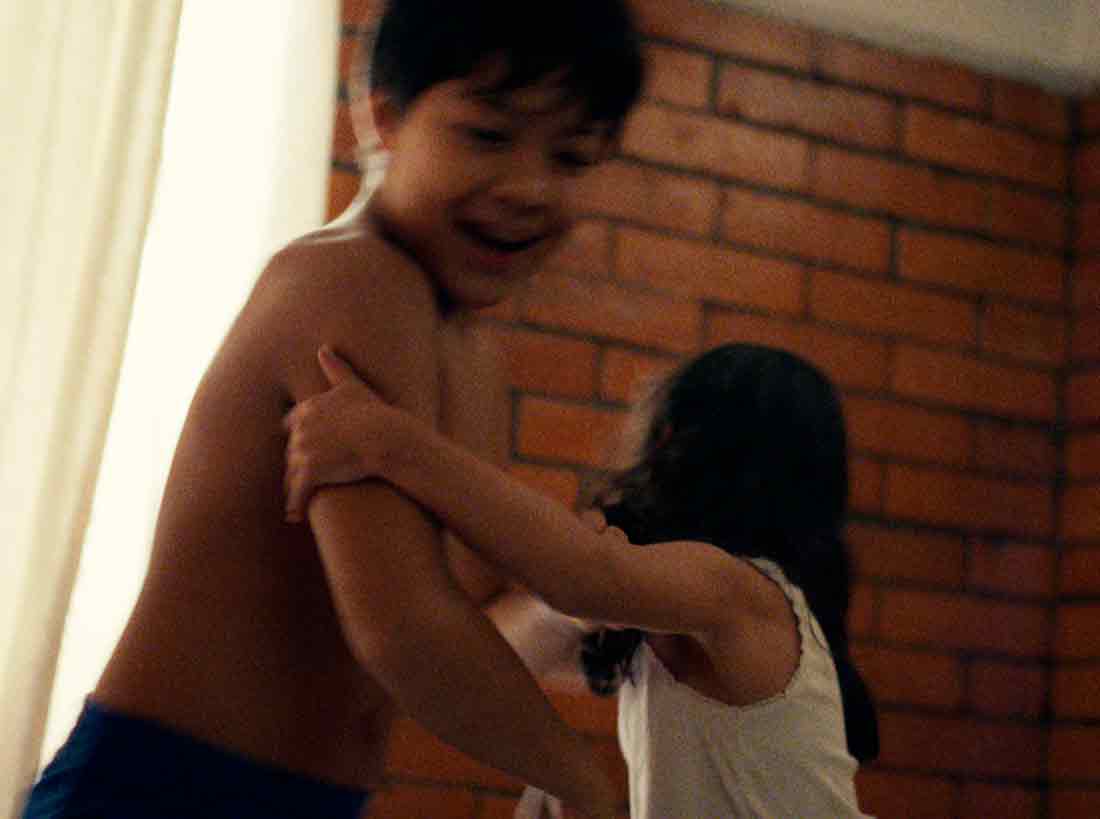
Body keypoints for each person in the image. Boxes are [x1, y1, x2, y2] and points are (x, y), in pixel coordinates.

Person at [20, 1, 645, 817]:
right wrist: (581, 777)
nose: (529, 187)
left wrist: (589, 591)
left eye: (570, 157)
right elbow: (401, 627)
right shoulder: (353, 280)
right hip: (161, 787)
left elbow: (471, 620)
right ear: (381, 119)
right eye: (487, 135)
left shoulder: (471, 355)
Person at [282, 342, 881, 817]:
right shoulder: (671, 627)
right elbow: (500, 647)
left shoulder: (743, 593)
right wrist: (580, 601)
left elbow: (584, 577)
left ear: (674, 445)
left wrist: (391, 444)